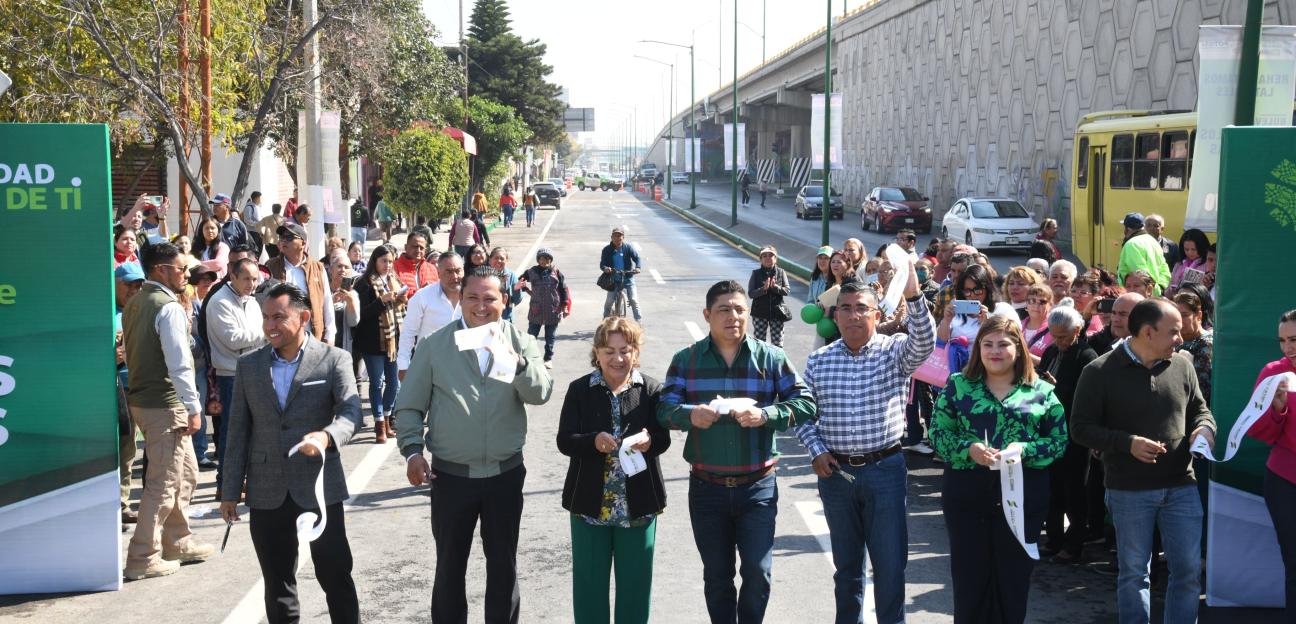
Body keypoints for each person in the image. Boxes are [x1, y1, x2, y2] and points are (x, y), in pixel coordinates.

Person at [396, 266, 554, 624]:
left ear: (505, 300)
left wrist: (516, 363)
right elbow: (408, 406)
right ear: (460, 299)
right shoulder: (436, 346)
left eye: (490, 299)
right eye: (473, 298)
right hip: (451, 478)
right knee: (449, 569)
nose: (480, 306)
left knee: (503, 567)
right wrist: (412, 450)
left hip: (505, 474)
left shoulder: (519, 341)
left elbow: (541, 393)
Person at [656, 279, 816, 624]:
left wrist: (766, 415)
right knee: (717, 577)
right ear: (707, 315)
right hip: (706, 488)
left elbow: (805, 403)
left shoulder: (771, 358)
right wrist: (689, 415)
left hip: (757, 487)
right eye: (724, 310)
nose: (733, 316)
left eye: (740, 309)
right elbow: (664, 409)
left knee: (758, 572)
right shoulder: (687, 360)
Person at [796, 267, 934, 623]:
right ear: (834, 315)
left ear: (876, 314)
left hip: (884, 471)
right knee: (847, 569)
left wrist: (915, 295)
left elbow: (925, 342)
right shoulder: (819, 361)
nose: (854, 315)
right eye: (846, 308)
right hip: (836, 475)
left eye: (862, 307)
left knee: (889, 567)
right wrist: (816, 451)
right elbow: (804, 416)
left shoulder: (895, 353)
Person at [219, 283, 362, 624]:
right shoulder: (249, 366)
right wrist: (228, 491)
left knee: (335, 574)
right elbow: (237, 431)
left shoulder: (333, 359)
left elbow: (350, 414)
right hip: (267, 490)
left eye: (279, 317)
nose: (270, 326)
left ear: (304, 317)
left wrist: (326, 437)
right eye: (266, 318)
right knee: (277, 583)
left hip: (318, 487)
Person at [1072, 298, 1216, 624]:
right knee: (1135, 574)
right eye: (1173, 332)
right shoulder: (1098, 371)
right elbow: (1080, 429)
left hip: (1182, 485)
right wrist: (1127, 443)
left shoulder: (1182, 365)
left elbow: (1200, 410)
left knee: (1189, 571)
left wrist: (1204, 430)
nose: (1180, 339)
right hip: (1129, 490)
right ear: (1148, 332)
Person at [929, 315, 1068, 623]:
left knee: (1013, 579)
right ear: (978, 349)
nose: (995, 351)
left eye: (1003, 344)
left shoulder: (1041, 391)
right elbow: (938, 433)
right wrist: (969, 450)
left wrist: (1025, 450)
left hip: (1023, 495)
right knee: (970, 580)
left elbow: (1059, 441)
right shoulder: (958, 385)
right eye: (987, 344)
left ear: (1018, 348)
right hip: (967, 494)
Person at [557, 317, 670, 624]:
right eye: (609, 351)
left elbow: (663, 440)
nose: (618, 358)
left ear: (636, 352)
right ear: (597, 352)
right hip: (589, 505)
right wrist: (593, 441)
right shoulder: (580, 390)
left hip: (640, 505)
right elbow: (565, 441)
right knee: (589, 587)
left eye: (625, 349)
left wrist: (650, 441)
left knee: (635, 587)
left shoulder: (651, 390)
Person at [121, 242, 215, 580]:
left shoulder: (135, 302)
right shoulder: (167, 307)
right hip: (166, 404)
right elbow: (180, 364)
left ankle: (177, 541)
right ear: (161, 270)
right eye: (181, 268)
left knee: (186, 472)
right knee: (163, 483)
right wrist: (193, 407)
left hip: (147, 401)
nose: (187, 274)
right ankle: (142, 556)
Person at [1038, 303, 1099, 564]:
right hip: (1050, 430)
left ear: (1077, 330)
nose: (1059, 341)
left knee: (1075, 490)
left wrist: (1056, 388)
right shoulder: (1051, 350)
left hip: (1074, 432)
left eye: (1063, 336)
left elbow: (1087, 399)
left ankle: (1074, 543)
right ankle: (1053, 539)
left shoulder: (1087, 356)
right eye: (1055, 335)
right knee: (1052, 489)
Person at [1247, 309, 1296, 621]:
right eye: (1282, 340)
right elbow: (1257, 430)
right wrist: (1276, 410)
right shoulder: (1273, 372)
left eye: (1294, 339)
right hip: (1285, 479)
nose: (1287, 347)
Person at [205, 257, 266, 488]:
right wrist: (264, 333)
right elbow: (233, 339)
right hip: (230, 375)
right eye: (246, 278)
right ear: (232, 276)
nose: (252, 284)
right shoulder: (219, 301)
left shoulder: (251, 301)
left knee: (253, 430)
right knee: (233, 433)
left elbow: (254, 334)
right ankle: (225, 483)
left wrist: (260, 334)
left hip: (254, 370)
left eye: (254, 278)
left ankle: (245, 480)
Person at [353, 244, 408, 443]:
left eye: (390, 261)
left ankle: (387, 418)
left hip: (393, 341)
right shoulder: (364, 283)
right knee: (377, 383)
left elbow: (401, 311)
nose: (387, 265)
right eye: (383, 261)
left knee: (395, 383)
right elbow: (361, 315)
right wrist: (381, 301)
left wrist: (401, 299)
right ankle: (379, 425)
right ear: (374, 261)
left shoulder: (394, 280)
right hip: (372, 342)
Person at [398, 252, 465, 378]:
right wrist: (403, 366)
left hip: (463, 368)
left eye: (458, 271)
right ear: (438, 273)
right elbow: (408, 332)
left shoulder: (472, 298)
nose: (455, 276)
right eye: (449, 272)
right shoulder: (422, 297)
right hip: (429, 368)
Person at [266, 223, 335, 343]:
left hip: (312, 338)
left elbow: (327, 302)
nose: (284, 241)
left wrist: (330, 335)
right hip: (281, 337)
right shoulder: (271, 266)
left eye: (289, 237)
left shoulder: (317, 268)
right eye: (282, 237)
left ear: (303, 243)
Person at [115, 262, 146, 523]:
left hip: (135, 387)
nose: (134, 289)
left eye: (139, 285)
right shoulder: (105, 312)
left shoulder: (141, 311)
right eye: (129, 284)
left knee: (128, 449)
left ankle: (122, 503)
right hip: (108, 389)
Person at [520, 248, 569, 369]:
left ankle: (548, 358)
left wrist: (565, 305)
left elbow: (563, 289)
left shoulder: (556, 272)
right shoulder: (531, 272)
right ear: (538, 260)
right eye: (541, 258)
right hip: (536, 309)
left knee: (550, 336)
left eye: (547, 258)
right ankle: (529, 357)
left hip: (553, 310)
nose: (544, 261)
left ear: (550, 260)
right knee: (531, 335)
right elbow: (520, 280)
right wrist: (526, 289)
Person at [938, 264, 996, 343]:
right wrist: (946, 320)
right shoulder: (956, 309)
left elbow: (996, 343)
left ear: (987, 288)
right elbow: (942, 339)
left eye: (977, 290)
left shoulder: (1000, 310)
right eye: (967, 291)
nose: (972, 295)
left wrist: (985, 324)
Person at [1116, 213, 1171, 296]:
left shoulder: (1131, 244)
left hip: (1137, 297)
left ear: (1126, 230)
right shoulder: (1154, 242)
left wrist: (1152, 291)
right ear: (1143, 227)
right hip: (1153, 295)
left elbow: (1139, 275)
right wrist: (1159, 289)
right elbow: (1165, 270)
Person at [748, 246, 791, 348]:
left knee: (777, 344)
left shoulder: (781, 272)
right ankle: (760, 363)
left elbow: (787, 291)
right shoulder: (756, 273)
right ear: (760, 259)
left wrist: (775, 287)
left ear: (775, 258)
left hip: (777, 313)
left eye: (771, 255)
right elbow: (751, 293)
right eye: (764, 256)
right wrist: (764, 289)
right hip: (759, 313)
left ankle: (777, 363)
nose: (767, 258)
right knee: (759, 343)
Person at [600, 227, 643, 322]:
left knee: (633, 300)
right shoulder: (607, 250)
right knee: (609, 302)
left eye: (619, 236)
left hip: (628, 278)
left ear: (623, 237)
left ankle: (638, 322)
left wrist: (638, 267)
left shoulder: (628, 248)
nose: (617, 238)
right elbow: (602, 264)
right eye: (615, 236)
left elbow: (637, 258)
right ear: (611, 237)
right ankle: (605, 321)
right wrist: (606, 268)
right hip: (613, 280)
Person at [1167, 228, 1210, 296]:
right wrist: (1171, 290)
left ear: (1201, 247)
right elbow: (1168, 290)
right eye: (1186, 249)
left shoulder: (1207, 265)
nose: (1190, 253)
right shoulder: (1179, 265)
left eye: (1193, 249)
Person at [1021, 284, 1055, 361]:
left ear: (1050, 305)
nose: (1036, 305)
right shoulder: (1017, 325)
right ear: (1026, 303)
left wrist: (1024, 355)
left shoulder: (1055, 330)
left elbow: (1051, 364)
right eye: (1032, 300)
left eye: (1042, 302)